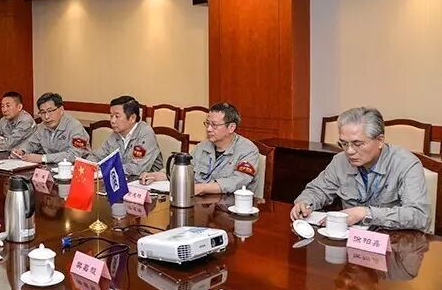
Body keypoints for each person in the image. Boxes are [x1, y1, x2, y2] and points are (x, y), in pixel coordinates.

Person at [290, 107, 428, 230]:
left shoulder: (405, 164)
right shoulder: (340, 161)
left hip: (393, 241)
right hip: (350, 239)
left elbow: (419, 215)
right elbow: (317, 190)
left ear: (380, 141)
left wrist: (365, 213)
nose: (349, 151)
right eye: (344, 144)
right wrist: (304, 203)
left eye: (358, 144)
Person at [139, 102, 260, 195]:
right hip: (202, 205)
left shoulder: (248, 150)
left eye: (214, 125)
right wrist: (157, 176)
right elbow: (185, 169)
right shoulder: (203, 146)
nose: (208, 129)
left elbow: (237, 181)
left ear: (231, 127)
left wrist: (201, 188)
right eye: (207, 124)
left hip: (230, 208)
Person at [87, 96, 162, 176]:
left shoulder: (145, 134)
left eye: (117, 116)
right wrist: (89, 165)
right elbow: (97, 156)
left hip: (145, 181)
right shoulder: (116, 134)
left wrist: (106, 168)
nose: (112, 121)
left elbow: (137, 168)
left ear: (132, 118)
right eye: (111, 116)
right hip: (122, 179)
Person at [13, 92, 90, 164]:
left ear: (61, 110)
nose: (46, 117)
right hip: (52, 167)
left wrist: (43, 158)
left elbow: (74, 155)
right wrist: (22, 151)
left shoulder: (75, 127)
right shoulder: (42, 127)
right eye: (43, 112)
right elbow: (31, 143)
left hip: (77, 168)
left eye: (50, 111)